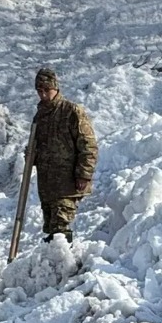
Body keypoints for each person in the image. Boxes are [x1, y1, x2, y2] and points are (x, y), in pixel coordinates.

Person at [30, 67, 97, 243]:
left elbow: (88, 145)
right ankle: (53, 263)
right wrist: (32, 155)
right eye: (39, 91)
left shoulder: (71, 111)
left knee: (61, 228)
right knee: (52, 228)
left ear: (55, 88)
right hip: (48, 185)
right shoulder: (40, 117)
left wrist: (84, 174)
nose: (43, 94)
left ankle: (65, 264)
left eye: (46, 90)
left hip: (67, 182)